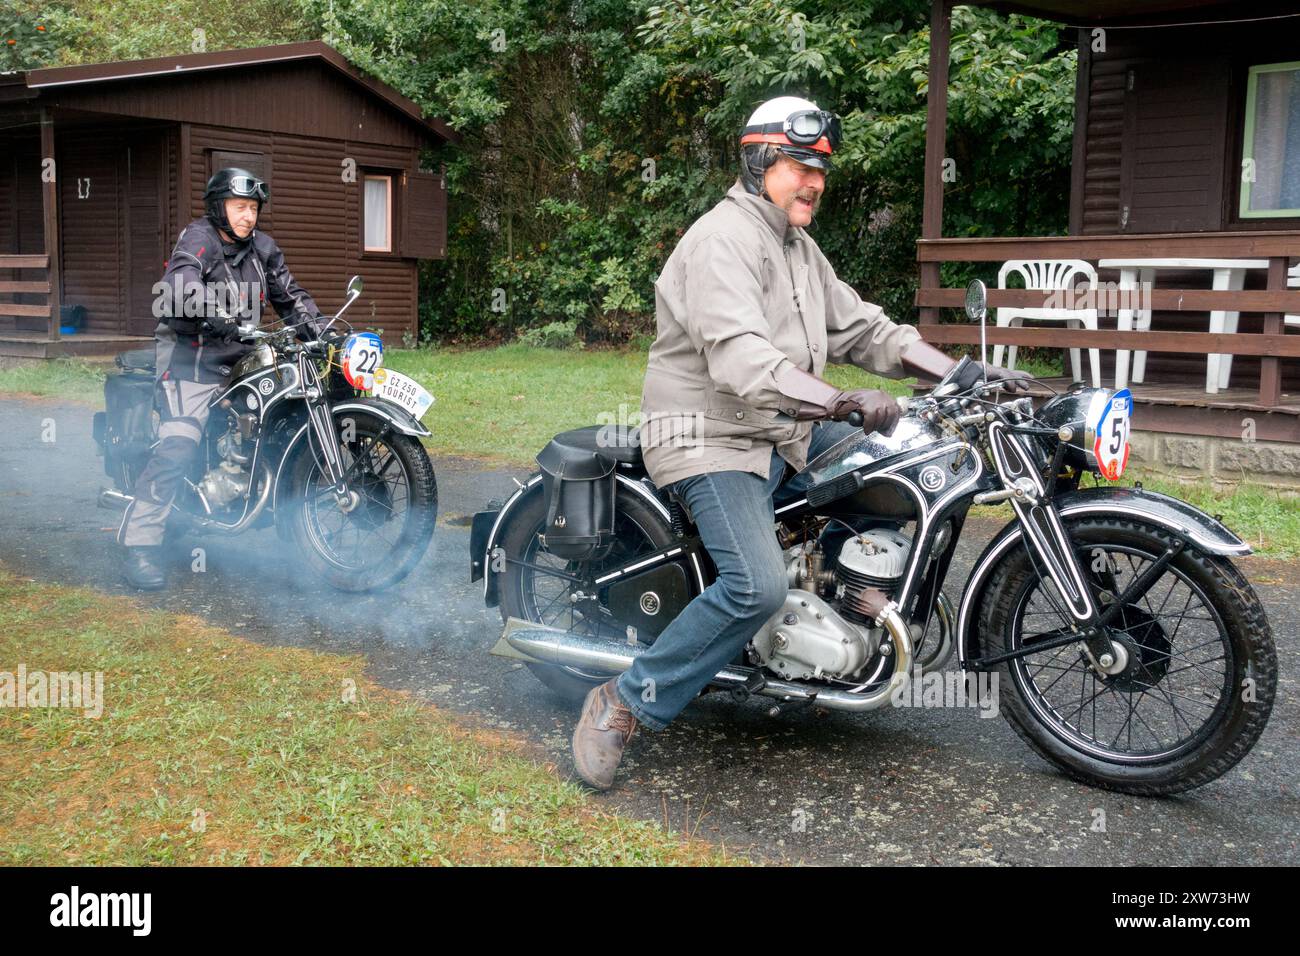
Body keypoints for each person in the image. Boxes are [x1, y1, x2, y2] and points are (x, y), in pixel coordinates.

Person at [570, 96, 1031, 790]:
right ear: (759, 164)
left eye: (820, 168)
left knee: (908, 468)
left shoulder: (798, 249)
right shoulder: (720, 241)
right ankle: (625, 702)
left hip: (785, 431)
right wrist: (840, 400)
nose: (814, 180)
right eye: (798, 165)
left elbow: (869, 331)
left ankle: (837, 623)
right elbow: (742, 361)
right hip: (710, 437)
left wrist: (965, 372)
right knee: (753, 586)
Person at [118, 167, 326, 590]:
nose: (249, 216)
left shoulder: (264, 249)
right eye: (240, 207)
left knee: (284, 412)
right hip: (191, 360)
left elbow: (291, 295)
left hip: (242, 355)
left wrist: (320, 327)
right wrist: (212, 314)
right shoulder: (198, 239)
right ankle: (139, 545)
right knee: (179, 442)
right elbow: (179, 281)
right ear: (219, 209)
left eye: (253, 208)